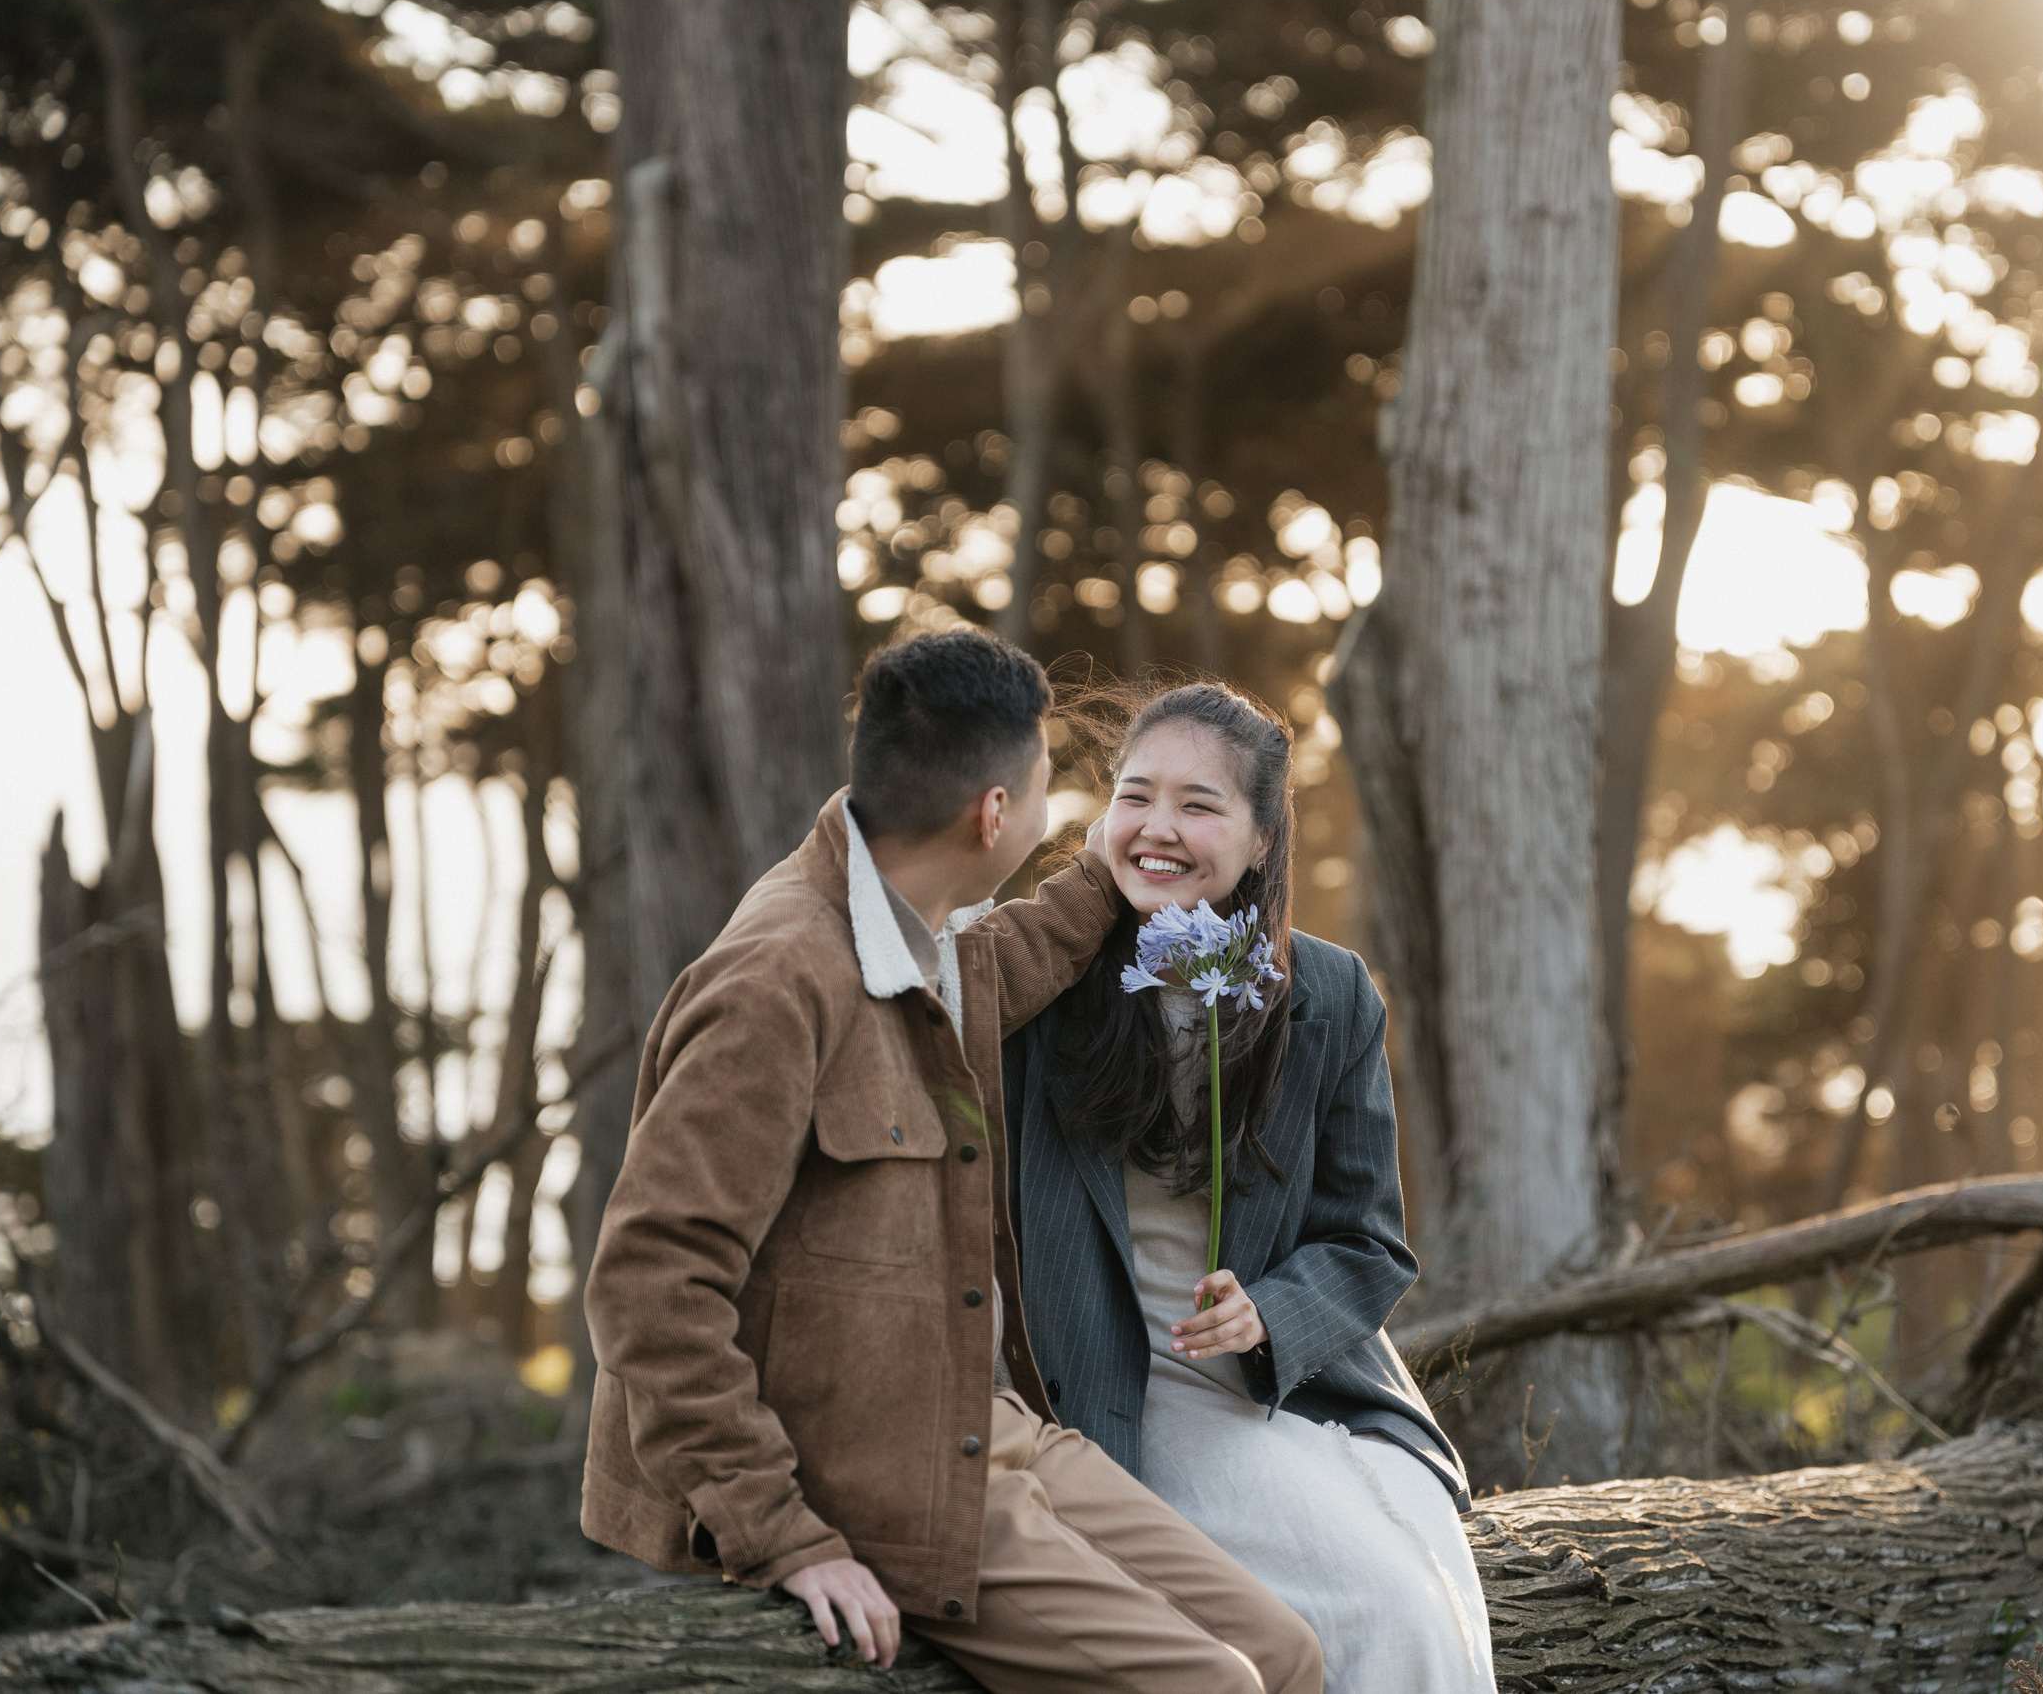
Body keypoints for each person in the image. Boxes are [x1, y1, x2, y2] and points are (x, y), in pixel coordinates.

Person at [581, 631, 1324, 1694]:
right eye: (1045, 792)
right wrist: (779, 1533)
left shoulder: (905, 927)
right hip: (869, 1472)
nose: (1055, 816)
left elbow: (1016, 952)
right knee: (1214, 1687)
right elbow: (648, 1287)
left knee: (1288, 1655)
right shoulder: (776, 981)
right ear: (992, 814)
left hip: (988, 1427)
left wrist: (1140, 857)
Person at [1004, 682, 1498, 1694]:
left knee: (1424, 1583)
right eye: (1135, 797)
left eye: (1200, 805)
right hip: (1120, 1386)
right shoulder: (1038, 979)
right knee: (1382, 1606)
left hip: (1296, 1385)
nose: (1157, 829)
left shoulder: (1326, 995)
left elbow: (1369, 1242)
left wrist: (1265, 1314)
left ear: (1262, 839)